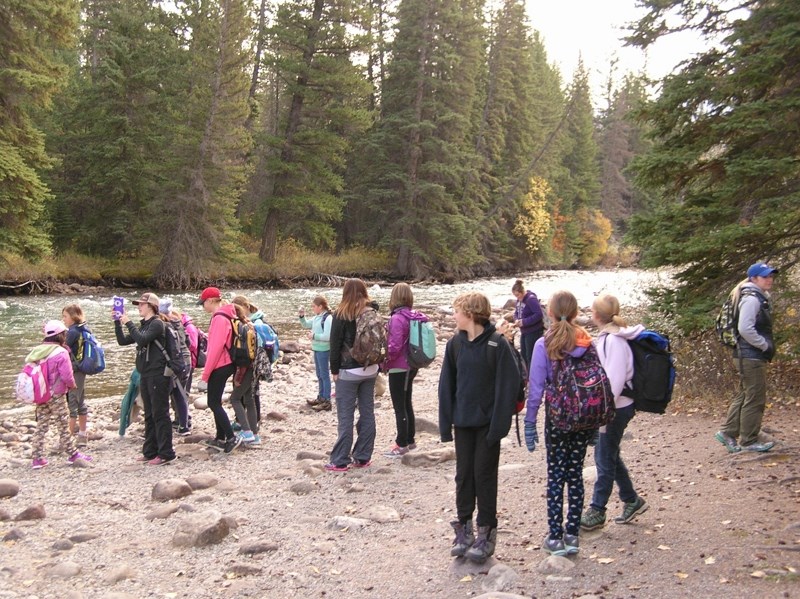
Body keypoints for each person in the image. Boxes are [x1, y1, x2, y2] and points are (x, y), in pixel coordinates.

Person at [438, 292, 519, 564]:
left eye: (457, 311)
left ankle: (486, 530)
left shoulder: (497, 345)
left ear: (471, 314)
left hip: (488, 425)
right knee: (463, 476)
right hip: (463, 422)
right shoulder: (455, 345)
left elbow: (507, 388)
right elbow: (446, 387)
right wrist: (445, 425)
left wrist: (498, 426)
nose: (453, 316)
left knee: (484, 475)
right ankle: (463, 529)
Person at [524, 290, 596, 557]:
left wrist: (530, 422)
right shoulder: (588, 342)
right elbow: (597, 385)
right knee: (575, 474)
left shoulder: (544, 344)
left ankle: (555, 537)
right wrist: (596, 425)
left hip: (557, 417)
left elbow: (536, 389)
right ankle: (573, 536)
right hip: (583, 419)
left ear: (550, 313)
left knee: (556, 475)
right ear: (576, 313)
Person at [581, 294, 648, 532]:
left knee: (603, 459)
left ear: (597, 315)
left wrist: (601, 413)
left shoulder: (614, 341)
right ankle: (632, 500)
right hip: (614, 407)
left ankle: (597, 510)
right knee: (610, 454)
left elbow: (615, 381)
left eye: (591, 311)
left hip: (615, 409)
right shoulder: (610, 337)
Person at [715, 262, 778, 453]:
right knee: (755, 398)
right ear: (753, 278)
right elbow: (745, 328)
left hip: (745, 356)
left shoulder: (753, 296)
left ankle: (728, 432)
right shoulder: (752, 299)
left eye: (770, 276)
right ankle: (749, 440)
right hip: (750, 356)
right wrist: (764, 345)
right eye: (765, 276)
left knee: (745, 394)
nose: (769, 279)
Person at [115, 292, 176, 465]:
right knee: (149, 414)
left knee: (160, 413)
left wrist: (128, 322)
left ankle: (166, 453)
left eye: (141, 304)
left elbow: (141, 340)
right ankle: (150, 451)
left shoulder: (157, 324)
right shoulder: (144, 325)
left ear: (151, 306)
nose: (139, 307)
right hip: (146, 374)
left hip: (158, 374)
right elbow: (123, 341)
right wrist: (117, 323)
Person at [325, 279, 379, 472]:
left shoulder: (341, 313)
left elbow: (335, 345)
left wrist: (334, 370)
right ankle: (363, 456)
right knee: (367, 412)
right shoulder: (371, 310)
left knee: (345, 415)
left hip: (349, 370)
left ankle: (340, 459)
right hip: (371, 368)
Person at [29, 320, 92, 468]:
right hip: (57, 395)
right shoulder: (61, 352)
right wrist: (72, 386)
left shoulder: (38, 350)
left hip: (42, 393)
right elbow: (67, 375)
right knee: (63, 425)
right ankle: (73, 455)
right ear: (60, 335)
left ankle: (37, 458)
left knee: (42, 425)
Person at [198, 286, 243, 454]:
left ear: (210, 301)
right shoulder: (228, 314)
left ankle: (230, 437)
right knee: (215, 401)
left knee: (213, 402)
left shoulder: (218, 318)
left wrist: (205, 375)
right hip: (228, 363)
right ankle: (220, 437)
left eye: (203, 303)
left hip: (220, 365)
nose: (203, 306)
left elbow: (215, 348)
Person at [383, 282, 426, 457]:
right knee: (407, 402)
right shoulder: (414, 316)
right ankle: (410, 439)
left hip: (398, 367)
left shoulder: (397, 319)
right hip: (412, 364)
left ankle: (401, 444)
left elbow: (394, 347)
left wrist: (384, 361)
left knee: (399, 405)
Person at [230, 295, 262, 446]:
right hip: (253, 366)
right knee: (249, 400)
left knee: (235, 398)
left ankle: (247, 431)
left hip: (243, 367)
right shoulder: (250, 324)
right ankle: (254, 434)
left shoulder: (238, 327)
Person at [158, 299, 192, 436]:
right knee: (180, 393)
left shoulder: (164, 325)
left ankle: (171, 425)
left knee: (167, 395)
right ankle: (183, 423)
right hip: (186, 360)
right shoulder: (179, 322)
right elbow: (188, 342)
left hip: (175, 362)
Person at [61, 303, 92, 447]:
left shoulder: (72, 332)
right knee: (80, 401)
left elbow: (59, 347)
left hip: (74, 370)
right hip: (81, 369)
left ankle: (66, 440)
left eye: (65, 316)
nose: (63, 319)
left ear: (73, 317)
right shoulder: (83, 328)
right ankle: (82, 435)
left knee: (72, 402)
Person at [299, 295, 333, 412]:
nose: (313, 308)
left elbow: (328, 336)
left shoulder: (328, 318)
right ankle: (321, 397)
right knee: (319, 374)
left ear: (320, 306)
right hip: (317, 348)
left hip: (324, 349)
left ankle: (326, 400)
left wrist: (314, 336)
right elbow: (306, 324)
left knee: (324, 374)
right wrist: (302, 316)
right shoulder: (317, 317)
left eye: (314, 306)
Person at [511, 279, 544, 370]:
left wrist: (524, 322)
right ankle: (525, 376)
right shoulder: (519, 300)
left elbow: (538, 314)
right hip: (524, 331)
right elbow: (516, 312)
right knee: (523, 355)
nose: (517, 298)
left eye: (518, 295)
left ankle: (531, 377)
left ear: (522, 292)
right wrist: (517, 319)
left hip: (533, 331)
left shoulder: (531, 299)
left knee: (531, 356)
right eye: (515, 296)